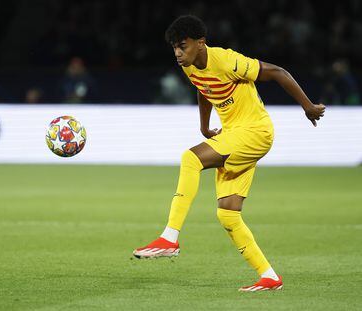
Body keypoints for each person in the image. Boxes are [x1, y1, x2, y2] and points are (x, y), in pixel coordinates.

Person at [132, 15, 326, 292]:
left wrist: (307, 106)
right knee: (228, 215)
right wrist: (203, 126)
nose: (177, 53)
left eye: (182, 46)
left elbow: (278, 72)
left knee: (191, 158)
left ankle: (169, 238)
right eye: (174, 47)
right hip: (233, 134)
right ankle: (269, 276)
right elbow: (205, 89)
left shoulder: (226, 60)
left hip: (255, 132)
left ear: (201, 43)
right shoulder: (189, 66)